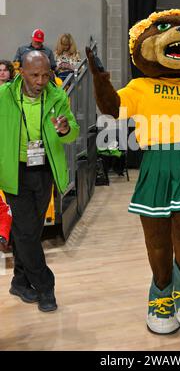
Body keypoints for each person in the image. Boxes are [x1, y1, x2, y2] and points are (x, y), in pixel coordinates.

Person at [0, 51, 79, 312]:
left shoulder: (57, 96)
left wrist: (66, 129)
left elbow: (72, 135)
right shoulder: (4, 97)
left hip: (44, 170)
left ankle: (19, 281)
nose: (40, 80)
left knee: (30, 231)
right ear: (20, 71)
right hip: (14, 171)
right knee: (24, 231)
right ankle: (45, 287)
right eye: (34, 75)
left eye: (46, 75)